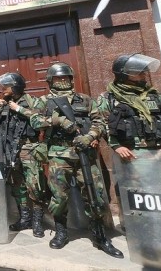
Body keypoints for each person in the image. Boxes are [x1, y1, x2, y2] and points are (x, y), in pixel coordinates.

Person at [30, 63, 122, 258]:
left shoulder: (86, 100)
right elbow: (34, 121)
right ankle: (62, 231)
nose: (62, 81)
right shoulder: (44, 101)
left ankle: (100, 235)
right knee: (59, 196)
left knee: (94, 194)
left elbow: (99, 122)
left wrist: (90, 137)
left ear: (71, 79)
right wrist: (57, 120)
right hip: (58, 154)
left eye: (65, 78)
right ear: (50, 81)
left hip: (84, 154)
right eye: (57, 78)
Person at [97, 54, 161, 160]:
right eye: (138, 72)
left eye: (144, 72)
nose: (144, 75)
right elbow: (103, 124)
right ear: (123, 74)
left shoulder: (154, 95)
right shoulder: (108, 97)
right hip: (132, 154)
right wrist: (117, 146)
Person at [0, 72, 46, 238]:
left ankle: (37, 222)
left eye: (6, 86)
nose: (3, 89)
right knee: (18, 185)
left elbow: (42, 119)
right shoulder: (5, 103)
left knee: (34, 184)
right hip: (10, 150)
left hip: (28, 147)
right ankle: (25, 218)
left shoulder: (32, 101)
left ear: (15, 86)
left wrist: (20, 109)